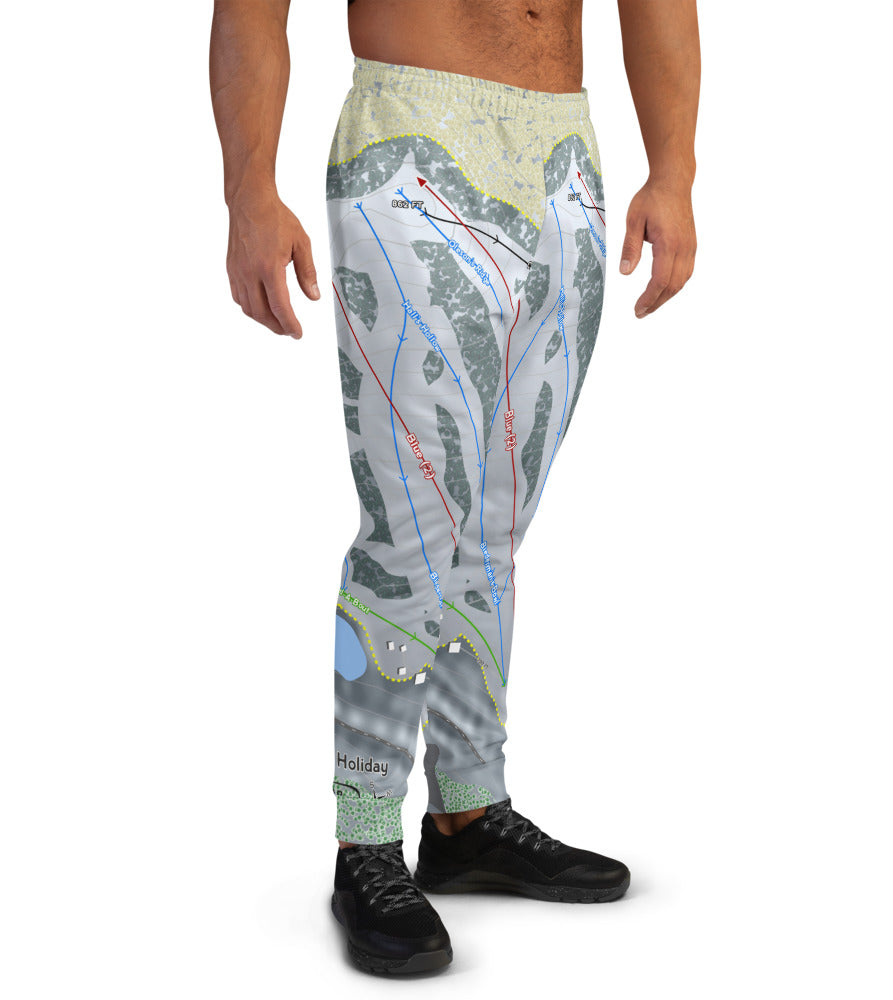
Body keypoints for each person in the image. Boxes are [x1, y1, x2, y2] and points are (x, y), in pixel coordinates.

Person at [210, 0, 699, 976]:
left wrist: (674, 169)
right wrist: (249, 192)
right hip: (409, 143)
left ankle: (468, 816)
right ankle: (365, 840)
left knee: (494, 524)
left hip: (565, 157)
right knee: (412, 526)